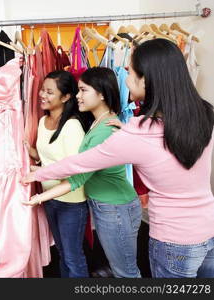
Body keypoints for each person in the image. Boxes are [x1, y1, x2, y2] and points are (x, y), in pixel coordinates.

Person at [23, 39, 214, 278]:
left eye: (130, 72)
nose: (124, 79)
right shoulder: (204, 113)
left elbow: (81, 163)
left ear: (146, 79)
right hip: (208, 228)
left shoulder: (139, 131)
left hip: (173, 239)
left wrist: (36, 174)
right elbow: (163, 150)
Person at [25, 67, 141, 278]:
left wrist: (38, 188)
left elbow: (77, 175)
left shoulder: (103, 129)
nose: (78, 96)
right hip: (105, 205)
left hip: (115, 208)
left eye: (83, 90)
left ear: (102, 93)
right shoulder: (98, 123)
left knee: (125, 273)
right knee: (118, 269)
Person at [24, 70, 92, 278]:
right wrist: (26, 149)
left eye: (49, 92)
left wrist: (37, 174)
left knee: (72, 257)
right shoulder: (44, 122)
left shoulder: (72, 127)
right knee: (63, 253)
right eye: (42, 90)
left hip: (71, 202)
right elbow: (48, 159)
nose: (42, 95)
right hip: (50, 199)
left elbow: (71, 170)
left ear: (65, 97)